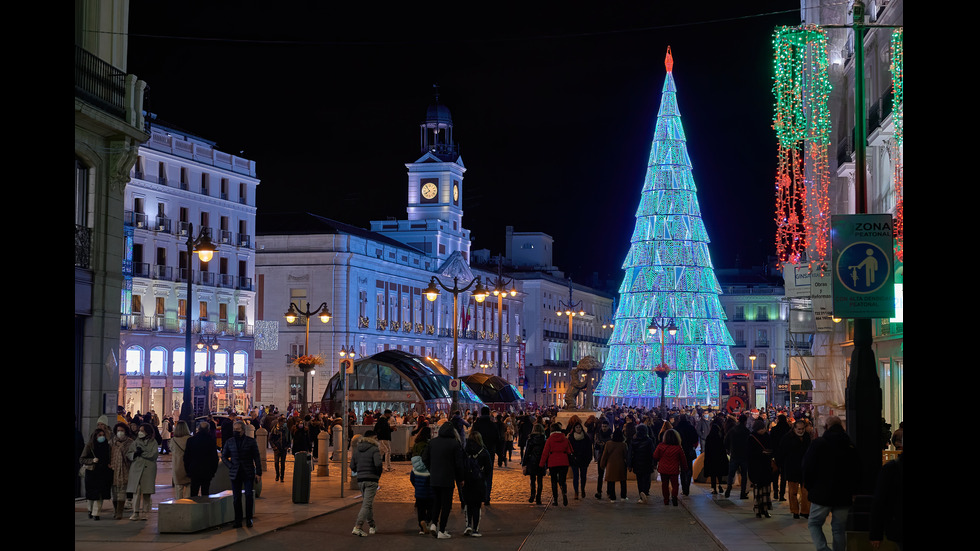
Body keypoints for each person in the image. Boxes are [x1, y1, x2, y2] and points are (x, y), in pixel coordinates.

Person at [803, 416, 860, 551]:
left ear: (826, 427)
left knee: (814, 523)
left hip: (822, 492)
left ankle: (823, 549)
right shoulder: (849, 445)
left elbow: (807, 467)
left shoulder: (819, 444)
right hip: (843, 494)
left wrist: (810, 487)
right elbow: (857, 470)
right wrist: (854, 490)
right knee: (839, 528)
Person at [422, 421, 464, 539]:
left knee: (436, 502)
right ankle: (442, 530)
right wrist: (460, 478)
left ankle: (434, 524)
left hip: (434, 477)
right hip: (448, 478)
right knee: (446, 505)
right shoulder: (454, 444)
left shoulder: (432, 442)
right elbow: (458, 464)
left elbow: (424, 458)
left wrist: (432, 469)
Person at [222, 419, 263, 528]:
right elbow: (224, 456)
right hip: (235, 472)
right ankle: (238, 520)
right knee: (236, 498)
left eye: (238, 430)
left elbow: (256, 457)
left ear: (243, 430)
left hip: (248, 471)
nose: (236, 431)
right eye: (234, 429)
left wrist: (259, 472)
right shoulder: (230, 442)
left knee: (249, 495)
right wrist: (231, 466)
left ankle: (249, 518)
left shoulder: (251, 441)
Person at [870, 428, 903, 550]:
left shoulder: (892, 468)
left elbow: (879, 501)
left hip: (899, 524)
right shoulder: (892, 468)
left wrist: (876, 533)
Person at [349, 430, 382, 536]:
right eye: (376, 438)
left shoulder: (357, 450)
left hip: (361, 480)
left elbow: (352, 466)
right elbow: (378, 464)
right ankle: (358, 526)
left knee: (367, 504)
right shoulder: (374, 449)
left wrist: (359, 470)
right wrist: (377, 475)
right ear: (372, 438)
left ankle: (372, 526)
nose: (377, 440)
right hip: (371, 479)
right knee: (366, 504)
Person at [777, 420, 812, 519]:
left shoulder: (807, 437)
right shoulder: (787, 438)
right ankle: (795, 511)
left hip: (805, 469)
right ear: (794, 428)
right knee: (793, 492)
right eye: (799, 429)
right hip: (792, 468)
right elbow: (782, 452)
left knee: (805, 492)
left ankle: (805, 511)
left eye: (803, 429)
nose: (801, 431)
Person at [127, 423, 159, 521]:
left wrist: (142, 453)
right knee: (136, 491)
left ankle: (145, 512)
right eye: (139, 430)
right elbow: (129, 454)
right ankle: (135, 512)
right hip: (136, 468)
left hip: (148, 469)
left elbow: (153, 455)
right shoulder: (136, 442)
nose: (140, 432)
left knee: (146, 492)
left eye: (142, 431)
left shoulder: (153, 442)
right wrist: (136, 454)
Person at [79, 427, 113, 520]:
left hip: (103, 473)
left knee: (100, 495)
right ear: (95, 436)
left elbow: (109, 458)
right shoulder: (90, 446)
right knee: (91, 495)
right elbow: (82, 459)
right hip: (92, 473)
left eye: (103, 435)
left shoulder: (107, 446)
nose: (102, 437)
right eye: (99, 435)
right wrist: (92, 460)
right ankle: (90, 510)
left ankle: (96, 513)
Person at [462, 431, 492, 536]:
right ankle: (475, 529)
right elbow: (489, 468)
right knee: (477, 505)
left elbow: (461, 466)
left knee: (468, 504)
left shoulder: (465, 452)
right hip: (478, 481)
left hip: (467, 480)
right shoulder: (483, 451)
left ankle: (468, 525)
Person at [538, 421, 573, 506]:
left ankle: (555, 500)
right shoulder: (565, 439)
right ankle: (564, 493)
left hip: (553, 462)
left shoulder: (549, 440)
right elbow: (570, 451)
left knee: (553, 481)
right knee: (563, 480)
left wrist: (541, 464)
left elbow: (545, 453)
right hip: (564, 462)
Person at [747, 419, 774, 518]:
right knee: (758, 490)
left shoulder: (767, 436)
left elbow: (771, 447)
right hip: (756, 468)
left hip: (766, 467)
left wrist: (769, 452)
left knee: (766, 490)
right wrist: (761, 453)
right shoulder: (751, 438)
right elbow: (750, 454)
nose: (763, 430)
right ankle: (758, 509)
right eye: (762, 429)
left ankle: (765, 509)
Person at [409, 428, 435, 535]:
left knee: (420, 505)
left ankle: (421, 524)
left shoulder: (416, 445)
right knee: (431, 503)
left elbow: (412, 478)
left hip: (417, 472)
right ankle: (428, 521)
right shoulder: (428, 445)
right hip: (428, 474)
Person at [471, 406, 498, 505]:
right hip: (489, 452)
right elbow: (497, 438)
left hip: (477, 453)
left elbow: (471, 438)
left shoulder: (476, 424)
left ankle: (478, 495)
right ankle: (487, 497)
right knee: (488, 475)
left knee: (477, 474)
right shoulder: (492, 425)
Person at [653, 429, 687, 506]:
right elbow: (683, 459)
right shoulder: (678, 448)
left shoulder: (660, 446)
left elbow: (655, 456)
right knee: (675, 484)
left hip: (663, 468)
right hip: (674, 469)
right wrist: (684, 468)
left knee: (664, 485)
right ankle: (674, 496)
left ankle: (666, 500)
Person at [109, 422, 134, 519]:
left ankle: (120, 512)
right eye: (118, 431)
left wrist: (122, 448)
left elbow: (130, 456)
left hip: (124, 469)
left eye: (122, 431)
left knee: (122, 491)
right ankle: (116, 510)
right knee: (114, 492)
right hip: (113, 469)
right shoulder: (112, 442)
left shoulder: (130, 442)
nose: (120, 432)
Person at [724, 413, 751, 499]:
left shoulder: (732, 430)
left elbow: (725, 441)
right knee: (744, 476)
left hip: (734, 454)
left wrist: (729, 449)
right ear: (745, 421)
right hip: (744, 456)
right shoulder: (747, 431)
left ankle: (728, 488)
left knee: (731, 474)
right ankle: (742, 493)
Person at [599, 428, 628, 502]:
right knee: (623, 481)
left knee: (611, 481)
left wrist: (602, 464)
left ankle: (612, 497)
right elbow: (626, 456)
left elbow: (605, 455)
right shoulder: (623, 445)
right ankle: (623, 497)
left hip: (610, 465)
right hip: (621, 465)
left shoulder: (608, 444)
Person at [522, 423, 547, 505]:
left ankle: (532, 494)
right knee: (540, 480)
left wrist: (524, 463)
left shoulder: (531, 439)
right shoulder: (544, 440)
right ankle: (538, 497)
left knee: (532, 479)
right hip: (541, 461)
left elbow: (527, 452)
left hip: (532, 461)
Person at [768, 414, 792, 500]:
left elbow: (770, 442)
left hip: (776, 455)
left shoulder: (774, 430)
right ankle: (782, 495)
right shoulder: (788, 430)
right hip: (786, 455)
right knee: (783, 476)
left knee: (775, 474)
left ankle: (775, 492)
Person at [630, 424, 655, 504]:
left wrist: (629, 464)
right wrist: (654, 463)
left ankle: (641, 494)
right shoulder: (649, 441)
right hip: (647, 462)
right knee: (647, 478)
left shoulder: (634, 441)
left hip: (637, 462)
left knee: (639, 479)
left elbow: (630, 453)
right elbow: (652, 453)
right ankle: (646, 491)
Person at [568, 421, 593, 500]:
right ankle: (576, 492)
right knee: (575, 476)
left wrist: (588, 459)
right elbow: (568, 449)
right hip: (574, 460)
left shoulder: (586, 437)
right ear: (574, 429)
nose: (578, 429)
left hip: (584, 460)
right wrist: (571, 458)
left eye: (579, 427)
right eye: (577, 427)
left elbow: (589, 450)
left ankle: (582, 489)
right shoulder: (571, 437)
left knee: (583, 476)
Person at [702, 423, 729, 494]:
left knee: (713, 474)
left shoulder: (709, 437)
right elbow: (723, 448)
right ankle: (720, 485)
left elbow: (707, 449)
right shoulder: (720, 437)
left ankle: (714, 488)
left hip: (711, 458)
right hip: (719, 458)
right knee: (719, 473)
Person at [170, 421, 192, 499]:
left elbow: (171, 449)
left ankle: (179, 505)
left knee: (179, 488)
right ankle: (187, 504)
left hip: (177, 466)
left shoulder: (173, 440)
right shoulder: (190, 439)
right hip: (188, 466)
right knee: (189, 486)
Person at [592, 419, 613, 499]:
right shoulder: (598, 434)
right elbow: (596, 446)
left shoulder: (611, 435)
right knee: (600, 475)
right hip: (601, 456)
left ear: (608, 427)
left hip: (609, 456)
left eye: (605, 427)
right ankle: (599, 491)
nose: (604, 428)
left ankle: (609, 491)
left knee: (609, 475)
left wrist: (602, 444)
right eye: (603, 426)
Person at [269, 415, 289, 482]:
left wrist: (287, 446)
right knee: (276, 462)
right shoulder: (274, 429)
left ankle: (282, 477)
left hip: (283, 448)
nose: (284, 423)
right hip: (277, 448)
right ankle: (277, 475)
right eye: (283, 422)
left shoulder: (286, 429)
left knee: (282, 463)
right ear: (279, 422)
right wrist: (274, 446)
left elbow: (288, 438)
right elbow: (270, 439)